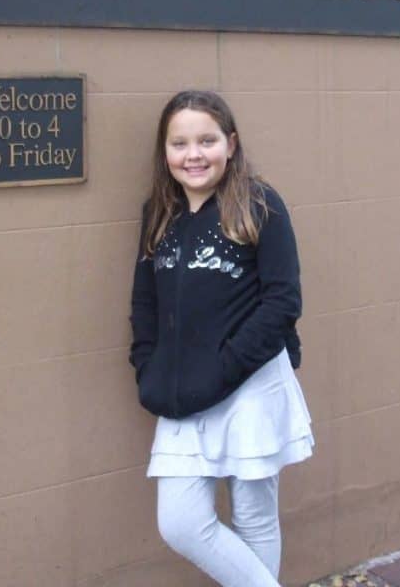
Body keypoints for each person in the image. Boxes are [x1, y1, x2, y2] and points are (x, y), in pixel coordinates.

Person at [129, 90, 314, 587]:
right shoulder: (159, 214)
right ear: (164, 151)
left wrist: (224, 368)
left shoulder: (259, 205)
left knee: (253, 516)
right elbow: (144, 303)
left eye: (207, 140)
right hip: (182, 387)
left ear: (230, 145)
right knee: (182, 523)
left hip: (249, 381)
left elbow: (282, 302)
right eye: (180, 143)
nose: (194, 154)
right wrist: (147, 364)